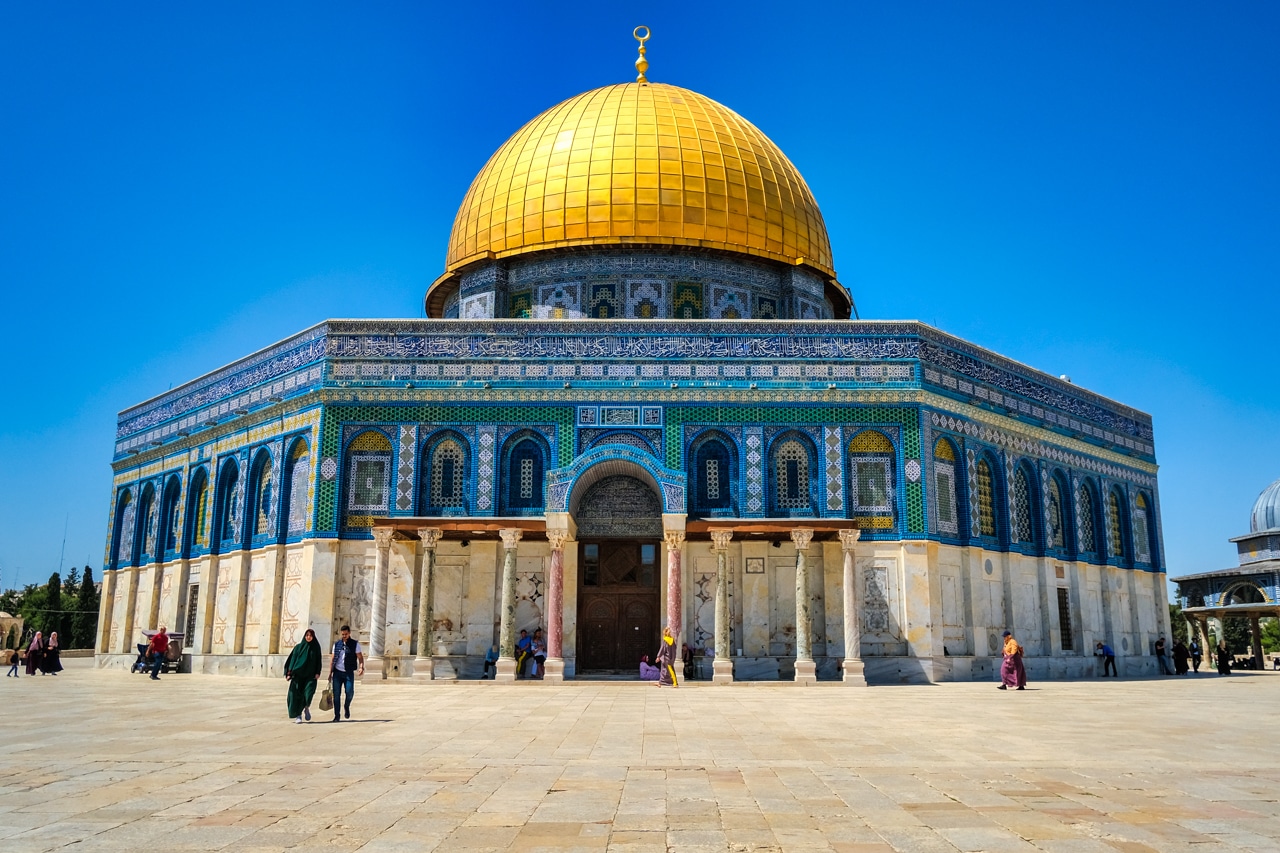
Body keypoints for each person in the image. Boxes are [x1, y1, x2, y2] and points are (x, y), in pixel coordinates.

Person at [284, 628, 323, 723]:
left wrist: (318, 672)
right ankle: (298, 715)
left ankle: (306, 707)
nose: (308, 637)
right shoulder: (298, 647)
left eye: (310, 635)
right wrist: (289, 673)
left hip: (310, 676)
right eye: (307, 635)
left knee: (308, 694)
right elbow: (292, 660)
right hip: (298, 676)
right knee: (295, 696)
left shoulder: (316, 647)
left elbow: (318, 661)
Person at [329, 625, 363, 721]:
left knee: (349, 692)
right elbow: (333, 659)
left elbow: (360, 657)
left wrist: (361, 667)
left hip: (348, 672)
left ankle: (346, 705)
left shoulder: (355, 644)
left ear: (349, 633)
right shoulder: (337, 644)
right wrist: (330, 673)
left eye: (346, 634)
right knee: (336, 694)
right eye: (343, 634)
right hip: (337, 673)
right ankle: (337, 715)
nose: (344, 636)